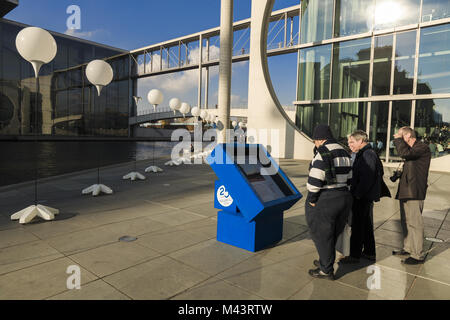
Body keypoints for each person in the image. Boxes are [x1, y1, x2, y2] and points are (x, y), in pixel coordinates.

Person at [305, 124, 353, 280]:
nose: (315, 144)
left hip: (326, 198)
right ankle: (325, 261)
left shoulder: (322, 153)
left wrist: (312, 200)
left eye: (315, 141)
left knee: (321, 234)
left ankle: (326, 270)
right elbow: (350, 177)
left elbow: (314, 181)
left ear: (320, 139)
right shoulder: (345, 151)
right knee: (332, 233)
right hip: (344, 196)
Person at [340, 130, 391, 264]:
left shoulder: (367, 154)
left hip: (362, 197)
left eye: (352, 142)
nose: (349, 144)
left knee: (357, 226)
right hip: (364, 196)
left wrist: (357, 194)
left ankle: (354, 255)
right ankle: (369, 252)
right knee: (366, 225)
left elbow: (367, 178)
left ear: (361, 141)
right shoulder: (367, 153)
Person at [392, 127, 431, 265]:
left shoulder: (422, 147)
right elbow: (407, 157)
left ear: (408, 135)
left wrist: (397, 140)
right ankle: (408, 248)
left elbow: (405, 153)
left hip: (415, 191)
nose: (396, 137)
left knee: (415, 223)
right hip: (406, 189)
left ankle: (417, 254)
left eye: (400, 135)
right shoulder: (412, 149)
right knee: (406, 221)